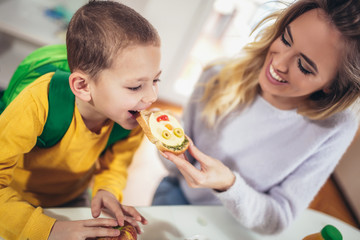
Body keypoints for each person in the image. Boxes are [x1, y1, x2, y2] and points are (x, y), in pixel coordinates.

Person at [152, 0, 360, 235]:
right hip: (178, 197)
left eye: (303, 66)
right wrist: (167, 142)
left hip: (237, 227)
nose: (279, 63)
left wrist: (228, 185)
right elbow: (175, 169)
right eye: (285, 38)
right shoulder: (216, 76)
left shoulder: (335, 127)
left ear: (332, 87)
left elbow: (277, 219)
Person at [0, 1, 161, 239]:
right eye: (136, 86)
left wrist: (107, 189)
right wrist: (50, 229)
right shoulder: (39, 102)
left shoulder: (132, 116)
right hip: (14, 201)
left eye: (156, 80)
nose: (151, 97)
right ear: (83, 86)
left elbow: (116, 163)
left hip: (72, 196)